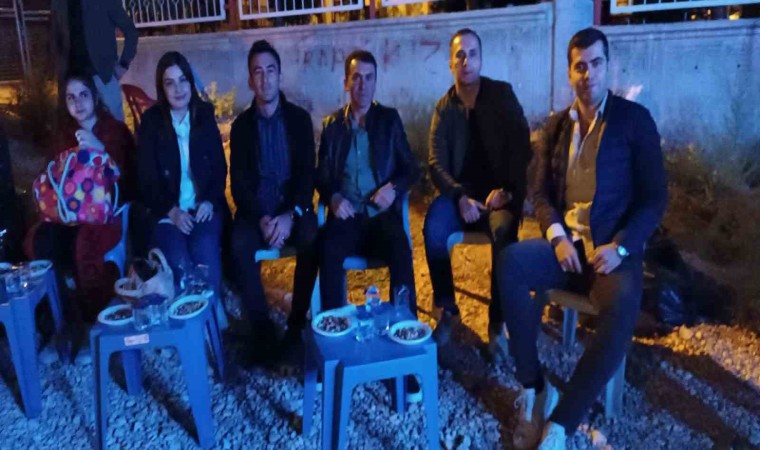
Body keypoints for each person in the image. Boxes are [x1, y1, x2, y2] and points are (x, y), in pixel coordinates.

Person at [497, 28, 667, 449]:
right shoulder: (556, 126)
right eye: (579, 66)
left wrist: (622, 246)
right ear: (569, 73)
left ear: (608, 67)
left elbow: (654, 198)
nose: (588, 74)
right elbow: (540, 194)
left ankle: (561, 422)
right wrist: (556, 237)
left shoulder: (634, 121)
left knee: (622, 305)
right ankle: (535, 387)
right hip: (567, 248)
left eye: (596, 64)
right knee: (511, 263)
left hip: (611, 251)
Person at [316, 49, 420, 399]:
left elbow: (411, 168)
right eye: (356, 78)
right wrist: (332, 197)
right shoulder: (332, 126)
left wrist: (394, 189)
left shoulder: (389, 120)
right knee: (327, 249)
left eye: (369, 78)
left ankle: (404, 352)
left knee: (401, 251)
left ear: (376, 82)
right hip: (347, 215)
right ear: (346, 83)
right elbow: (322, 176)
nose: (362, 85)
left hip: (380, 216)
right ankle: (334, 350)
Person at [423, 28, 531, 361]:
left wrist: (509, 191)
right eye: (459, 55)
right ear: (450, 63)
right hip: (461, 197)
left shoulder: (502, 96)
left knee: (504, 234)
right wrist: (458, 197)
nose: (466, 61)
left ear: (481, 60)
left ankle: (497, 323)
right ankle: (447, 309)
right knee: (433, 229)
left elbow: (522, 146)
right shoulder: (444, 109)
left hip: (499, 195)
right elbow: (435, 161)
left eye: (472, 54)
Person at [230, 40, 318, 363]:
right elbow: (239, 183)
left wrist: (289, 215)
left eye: (270, 70)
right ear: (250, 80)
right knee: (239, 244)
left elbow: (307, 174)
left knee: (312, 238)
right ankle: (263, 331)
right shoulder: (241, 127)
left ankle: (295, 326)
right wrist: (262, 219)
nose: (265, 78)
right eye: (258, 72)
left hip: (292, 210)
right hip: (257, 214)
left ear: (280, 75)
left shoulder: (299, 120)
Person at [26, 72, 136, 327]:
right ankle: (61, 317)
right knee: (42, 239)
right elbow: (53, 179)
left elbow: (129, 180)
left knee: (86, 244)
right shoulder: (63, 136)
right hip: (68, 213)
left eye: (83, 95)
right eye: (71, 97)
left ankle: (93, 319)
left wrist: (100, 151)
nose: (78, 103)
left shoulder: (114, 131)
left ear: (95, 97)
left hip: (103, 212)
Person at [136, 52, 228, 321]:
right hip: (166, 211)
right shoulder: (152, 123)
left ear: (190, 82)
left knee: (204, 246)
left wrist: (209, 200)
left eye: (183, 80)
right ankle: (188, 320)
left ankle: (212, 313)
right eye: (170, 83)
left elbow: (219, 168)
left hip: (202, 207)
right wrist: (171, 211)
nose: (178, 89)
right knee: (177, 257)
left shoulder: (204, 115)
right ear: (162, 88)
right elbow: (146, 179)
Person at [52, 0, 138, 121]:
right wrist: (60, 72)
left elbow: (130, 31)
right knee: (78, 130)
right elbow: (56, 39)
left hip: (102, 76)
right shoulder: (59, 3)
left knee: (115, 127)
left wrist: (123, 64)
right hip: (73, 79)